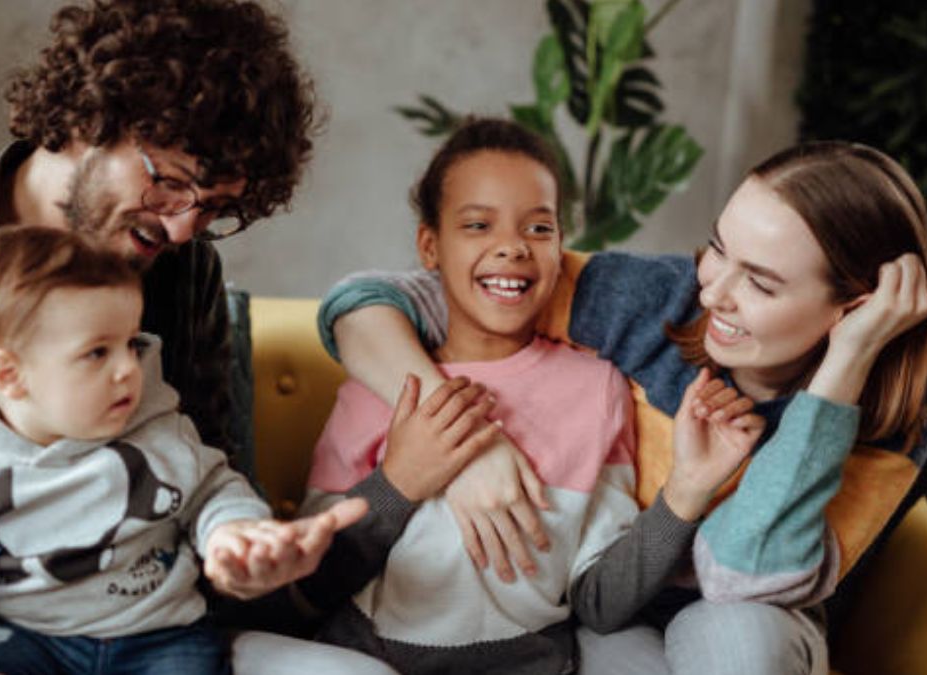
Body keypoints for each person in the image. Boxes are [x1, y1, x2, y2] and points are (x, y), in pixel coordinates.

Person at [317, 140, 927, 674]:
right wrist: (468, 449)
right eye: (718, 249)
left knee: (738, 640)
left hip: (750, 619)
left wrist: (838, 378)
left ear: (851, 309)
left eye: (760, 283)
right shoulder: (650, 300)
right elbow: (375, 298)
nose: (717, 293)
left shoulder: (906, 398)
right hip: (612, 605)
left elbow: (745, 578)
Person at [0, 0, 313, 621]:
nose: (185, 229)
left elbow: (200, 473)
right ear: (90, 119)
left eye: (213, 209)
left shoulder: (185, 273)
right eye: (172, 182)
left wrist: (239, 560)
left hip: (125, 640)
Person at [300, 118, 764, 674]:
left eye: (539, 229)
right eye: (477, 225)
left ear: (561, 248)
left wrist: (686, 493)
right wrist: (399, 485)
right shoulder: (380, 386)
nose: (512, 247)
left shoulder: (597, 391)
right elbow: (314, 585)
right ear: (430, 246)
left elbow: (598, 602)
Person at [0, 226, 378, 675]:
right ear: (10, 374)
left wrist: (235, 533)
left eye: (130, 343)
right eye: (96, 353)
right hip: (25, 638)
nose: (126, 368)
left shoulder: (161, 434)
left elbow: (216, 491)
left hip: (158, 638)